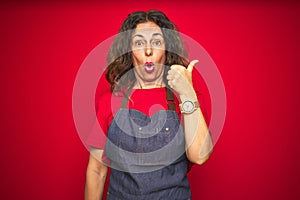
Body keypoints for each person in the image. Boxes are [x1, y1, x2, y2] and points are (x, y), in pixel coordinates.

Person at [85, 10, 213, 200]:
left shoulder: (188, 99)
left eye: (156, 42)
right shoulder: (110, 101)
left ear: (167, 49)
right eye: (139, 43)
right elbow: (96, 171)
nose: (148, 51)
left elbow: (200, 156)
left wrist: (187, 93)